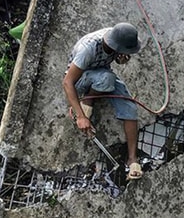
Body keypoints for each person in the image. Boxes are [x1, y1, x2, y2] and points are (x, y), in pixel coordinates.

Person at [62, 22, 144, 180]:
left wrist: (121, 60)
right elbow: (67, 82)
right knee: (107, 79)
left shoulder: (116, 39)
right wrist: (80, 116)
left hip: (102, 73)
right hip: (82, 79)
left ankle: (132, 159)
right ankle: (88, 101)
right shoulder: (88, 49)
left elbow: (115, 60)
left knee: (130, 107)